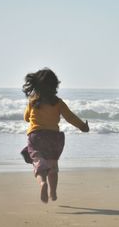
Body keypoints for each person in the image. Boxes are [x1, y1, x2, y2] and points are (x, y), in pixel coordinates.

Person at [22, 68, 89, 203]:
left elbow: (26, 118)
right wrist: (83, 126)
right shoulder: (58, 102)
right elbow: (70, 117)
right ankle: (53, 192)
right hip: (54, 138)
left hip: (36, 137)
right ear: (55, 85)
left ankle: (42, 184)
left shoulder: (33, 101)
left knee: (38, 163)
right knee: (53, 166)